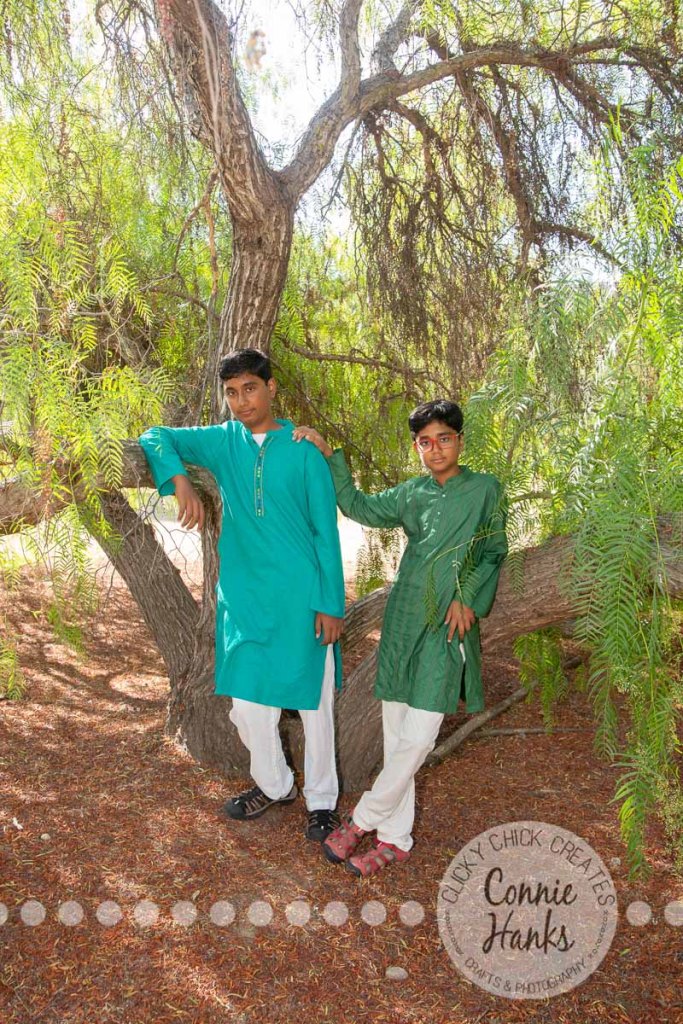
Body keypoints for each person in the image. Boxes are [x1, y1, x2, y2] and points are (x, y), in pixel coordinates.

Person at [139, 349, 346, 842]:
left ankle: (322, 802)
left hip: (302, 597)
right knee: (250, 706)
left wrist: (330, 603)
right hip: (245, 597)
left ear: (271, 388)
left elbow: (326, 533)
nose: (240, 401)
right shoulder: (224, 441)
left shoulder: (302, 451)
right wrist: (181, 482)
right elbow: (155, 435)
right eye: (231, 392)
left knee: (316, 705)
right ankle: (275, 785)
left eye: (249, 388)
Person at [293, 399, 507, 875]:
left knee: (419, 736)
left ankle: (362, 820)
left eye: (444, 439)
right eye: (425, 442)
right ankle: (396, 838)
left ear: (460, 441)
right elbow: (358, 506)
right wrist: (330, 455)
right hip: (406, 616)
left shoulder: (485, 490)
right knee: (396, 737)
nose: (435, 450)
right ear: (417, 447)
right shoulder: (413, 493)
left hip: (448, 626)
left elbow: (493, 550)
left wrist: (468, 598)